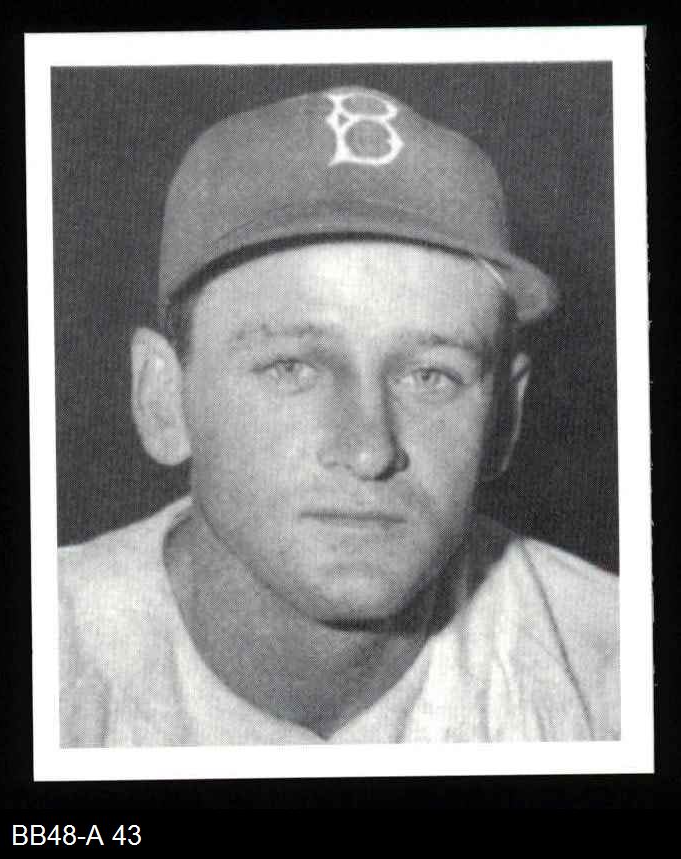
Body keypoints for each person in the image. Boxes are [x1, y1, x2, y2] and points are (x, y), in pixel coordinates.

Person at [58, 86, 619, 746]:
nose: (370, 449)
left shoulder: (616, 668)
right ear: (163, 400)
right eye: (291, 368)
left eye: (431, 376)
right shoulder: (53, 655)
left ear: (504, 417)